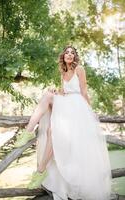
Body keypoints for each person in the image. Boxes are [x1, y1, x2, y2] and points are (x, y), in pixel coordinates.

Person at [16, 46, 112, 200]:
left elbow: (84, 92)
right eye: (67, 52)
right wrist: (56, 91)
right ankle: (28, 133)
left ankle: (40, 171)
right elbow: (64, 92)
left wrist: (91, 112)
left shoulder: (79, 69)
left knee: (53, 132)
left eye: (72, 53)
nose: (69, 55)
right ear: (63, 56)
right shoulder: (63, 71)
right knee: (47, 95)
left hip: (77, 107)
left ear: (75, 57)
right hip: (66, 104)